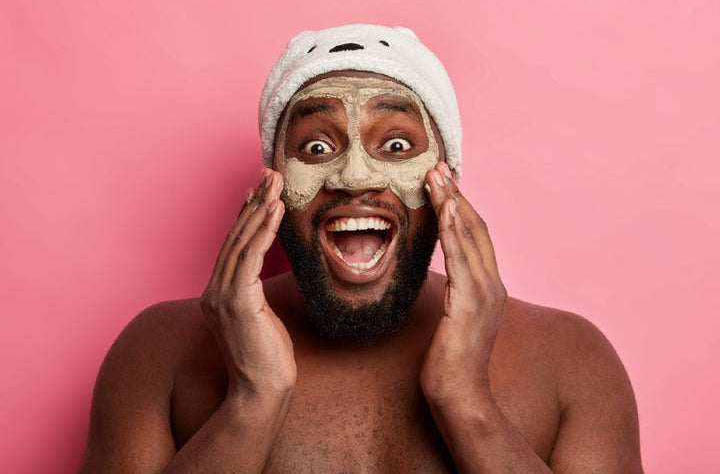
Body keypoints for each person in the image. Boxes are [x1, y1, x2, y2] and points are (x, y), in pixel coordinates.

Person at [79, 24, 643, 473]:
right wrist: (252, 399)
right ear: (274, 182)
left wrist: (466, 400)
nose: (353, 176)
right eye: (317, 145)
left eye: (397, 144)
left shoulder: (572, 360)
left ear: (446, 177)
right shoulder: (159, 353)